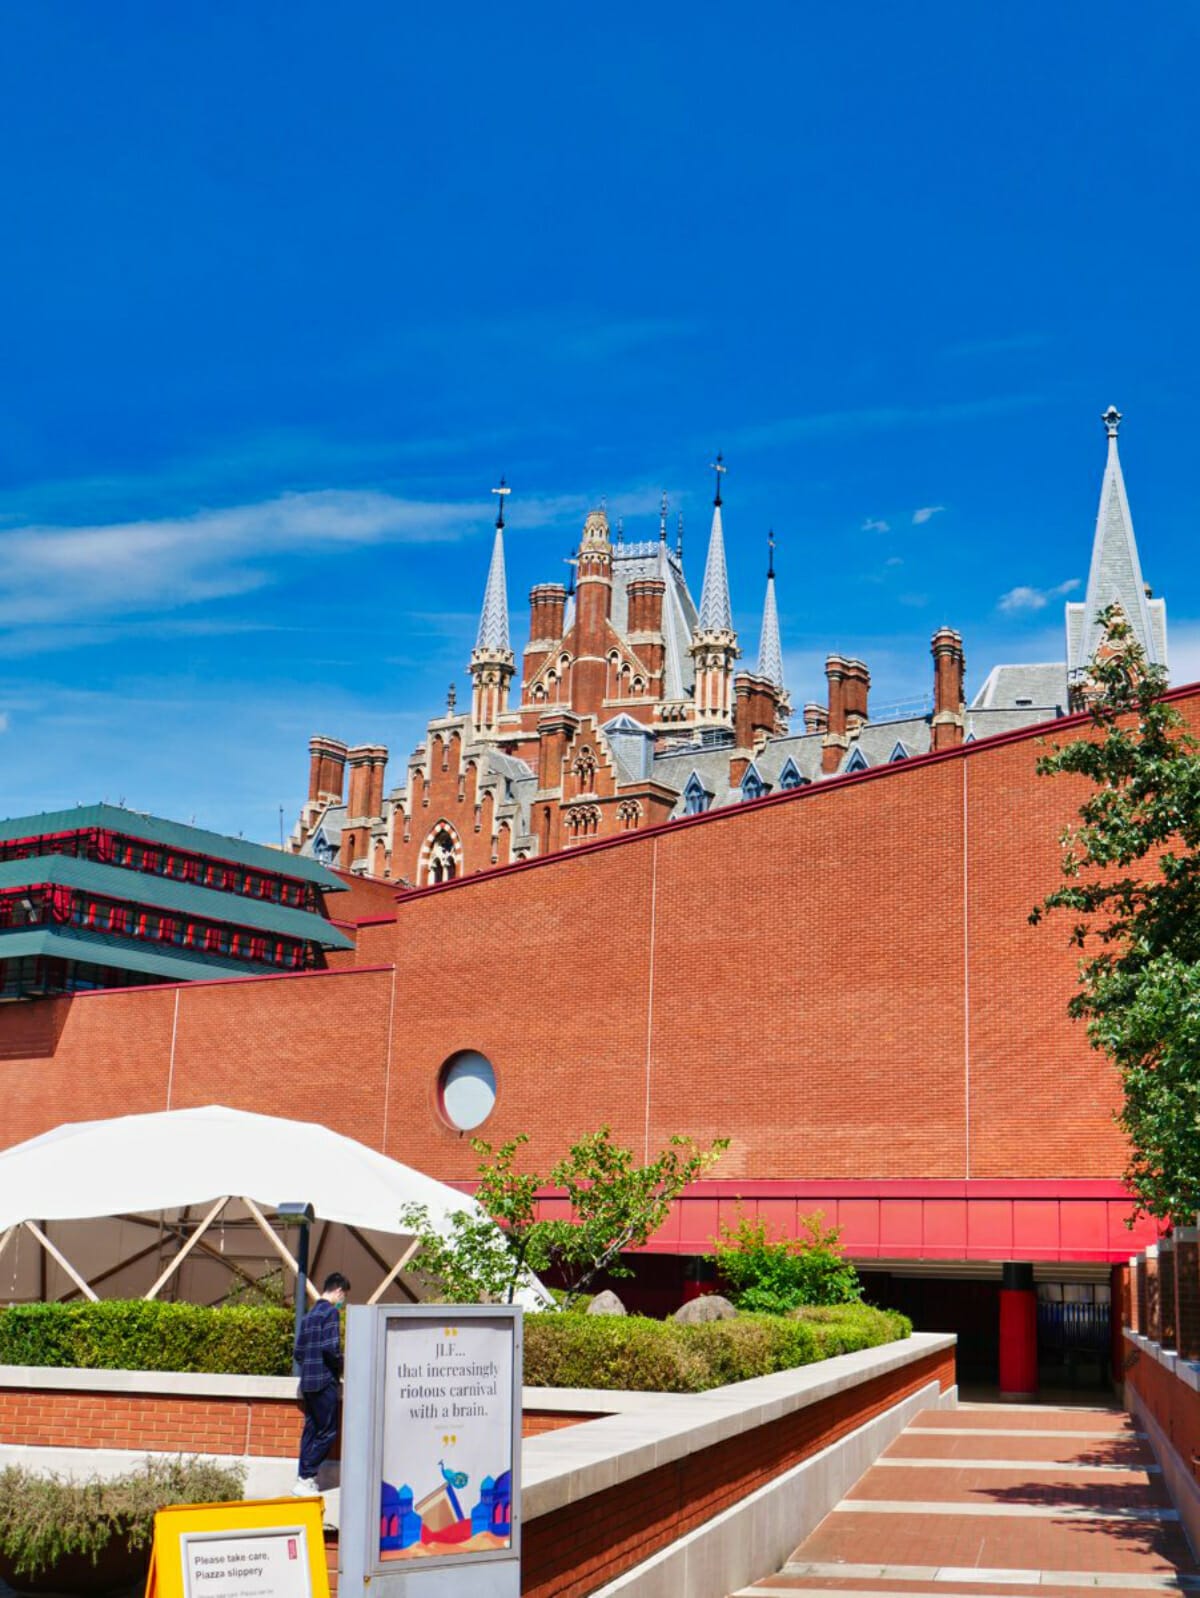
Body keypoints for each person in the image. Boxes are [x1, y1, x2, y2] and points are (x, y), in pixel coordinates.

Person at [293, 1271, 350, 1495]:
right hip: (325, 1381)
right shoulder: (330, 1314)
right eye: (343, 1295)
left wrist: (310, 1366)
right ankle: (307, 1475)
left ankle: (303, 1478)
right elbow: (331, 1348)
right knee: (328, 1432)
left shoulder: (309, 1316)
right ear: (338, 1291)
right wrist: (342, 1362)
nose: (342, 1301)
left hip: (308, 1382)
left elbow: (298, 1352)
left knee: (311, 1429)